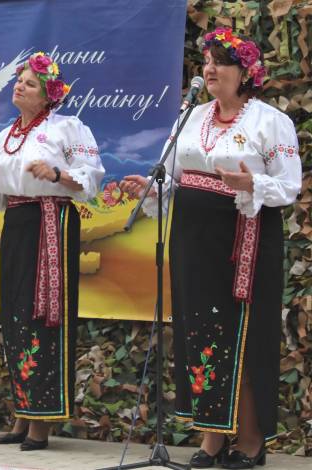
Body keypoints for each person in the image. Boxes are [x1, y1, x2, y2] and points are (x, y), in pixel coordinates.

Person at [121, 27, 301, 469]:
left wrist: (251, 182)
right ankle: (212, 439)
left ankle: (252, 442)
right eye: (207, 61)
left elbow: (289, 186)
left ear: (246, 73)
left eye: (221, 62)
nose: (210, 69)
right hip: (192, 239)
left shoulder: (269, 122)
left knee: (241, 335)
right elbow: (175, 174)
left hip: (244, 238)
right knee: (200, 335)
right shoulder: (193, 116)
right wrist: (152, 187)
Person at [0, 52, 104, 451]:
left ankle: (44, 421)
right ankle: (24, 413)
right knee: (17, 313)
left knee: (46, 314)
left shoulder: (66, 128)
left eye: (30, 83)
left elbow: (91, 179)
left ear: (48, 96)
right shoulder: (5, 136)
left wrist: (56, 174)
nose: (19, 85)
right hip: (19, 223)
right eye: (19, 81)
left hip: (51, 221)